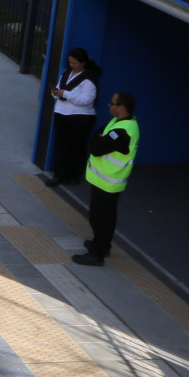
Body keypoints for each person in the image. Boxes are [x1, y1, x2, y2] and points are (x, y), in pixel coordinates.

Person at [72, 91, 140, 267]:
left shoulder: (122, 131)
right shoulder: (120, 122)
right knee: (106, 217)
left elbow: (95, 147)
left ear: (122, 107)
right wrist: (98, 139)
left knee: (100, 218)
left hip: (108, 183)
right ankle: (102, 246)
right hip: (105, 181)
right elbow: (97, 135)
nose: (109, 105)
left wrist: (98, 140)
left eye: (112, 103)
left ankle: (97, 254)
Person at [46, 48, 101, 188]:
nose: (72, 65)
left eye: (75, 63)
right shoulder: (65, 74)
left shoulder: (89, 79)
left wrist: (65, 94)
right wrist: (56, 93)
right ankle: (60, 174)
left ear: (83, 63)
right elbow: (59, 91)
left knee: (76, 147)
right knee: (61, 146)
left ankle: (74, 175)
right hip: (61, 114)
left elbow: (86, 100)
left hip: (80, 118)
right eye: (70, 62)